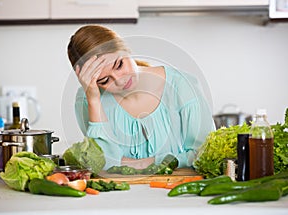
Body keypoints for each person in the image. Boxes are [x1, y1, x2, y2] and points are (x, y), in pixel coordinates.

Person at [67, 24, 215, 170]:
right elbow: (103, 162)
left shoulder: (182, 85)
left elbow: (204, 153)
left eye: (119, 65)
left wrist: (144, 163)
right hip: (118, 192)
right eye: (104, 80)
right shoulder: (88, 98)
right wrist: (93, 100)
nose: (119, 80)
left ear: (125, 49)